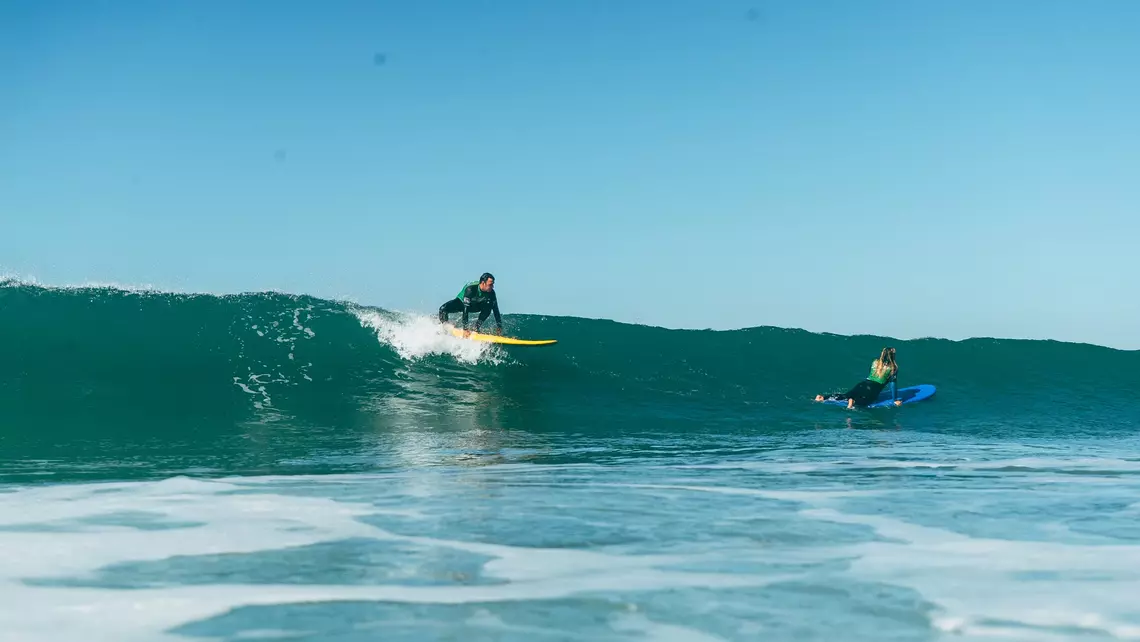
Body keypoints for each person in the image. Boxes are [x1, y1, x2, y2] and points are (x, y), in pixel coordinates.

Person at [814, 347, 901, 409]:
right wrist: (895, 400)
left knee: (846, 395)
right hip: (873, 388)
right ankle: (853, 402)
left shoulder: (875, 362)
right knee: (866, 401)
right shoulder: (893, 368)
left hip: (863, 383)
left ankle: (822, 398)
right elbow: (893, 385)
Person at [437, 272, 502, 335]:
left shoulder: (491, 293)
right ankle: (446, 327)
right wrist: (465, 329)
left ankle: (476, 328)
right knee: (442, 309)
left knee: (489, 307)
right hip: (461, 303)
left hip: (475, 305)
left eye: (493, 284)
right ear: (483, 283)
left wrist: (499, 327)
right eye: (490, 284)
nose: (492, 286)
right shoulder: (471, 289)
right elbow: (466, 309)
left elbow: (495, 309)